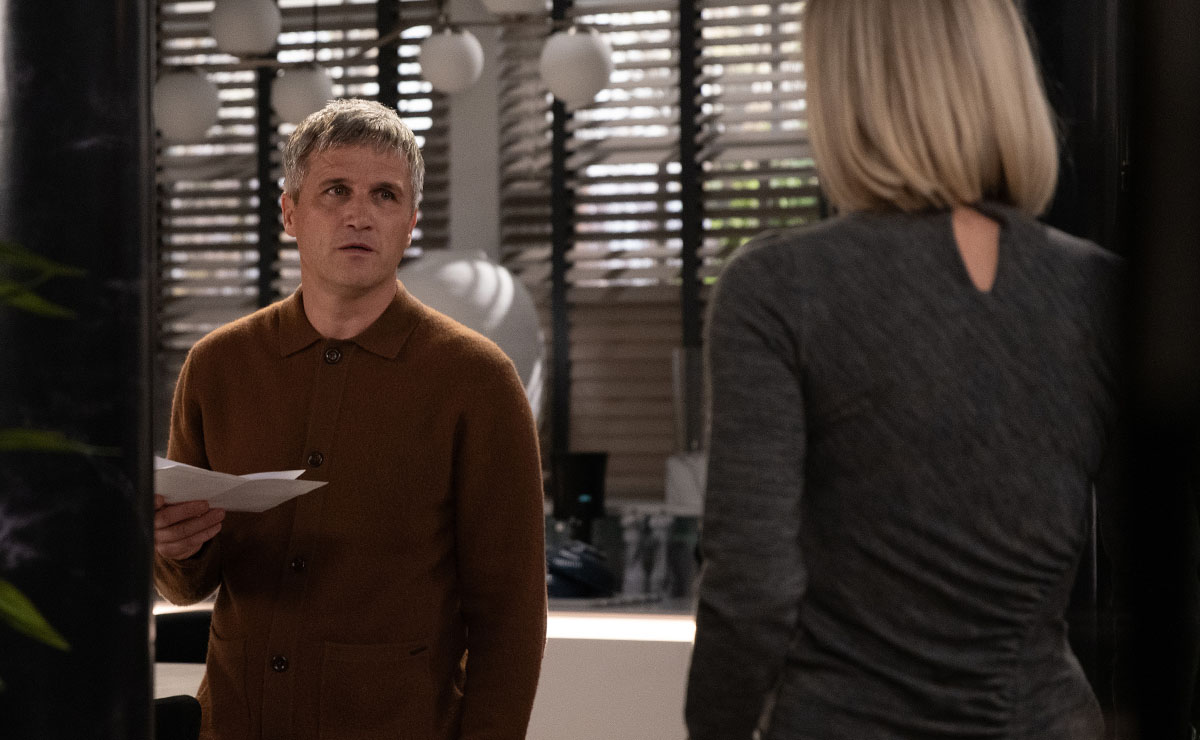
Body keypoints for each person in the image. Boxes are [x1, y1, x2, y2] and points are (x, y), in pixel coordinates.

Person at [684, 1, 1124, 738]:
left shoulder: (779, 289)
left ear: (845, 90)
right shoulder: (1103, 292)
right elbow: (1168, 575)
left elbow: (753, 588)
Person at [153, 98, 547, 740]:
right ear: (290, 213)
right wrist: (172, 546)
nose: (359, 214)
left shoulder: (477, 380)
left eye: (385, 196)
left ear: (410, 223)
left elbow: (511, 617)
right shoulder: (218, 365)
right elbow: (183, 584)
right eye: (335, 190)